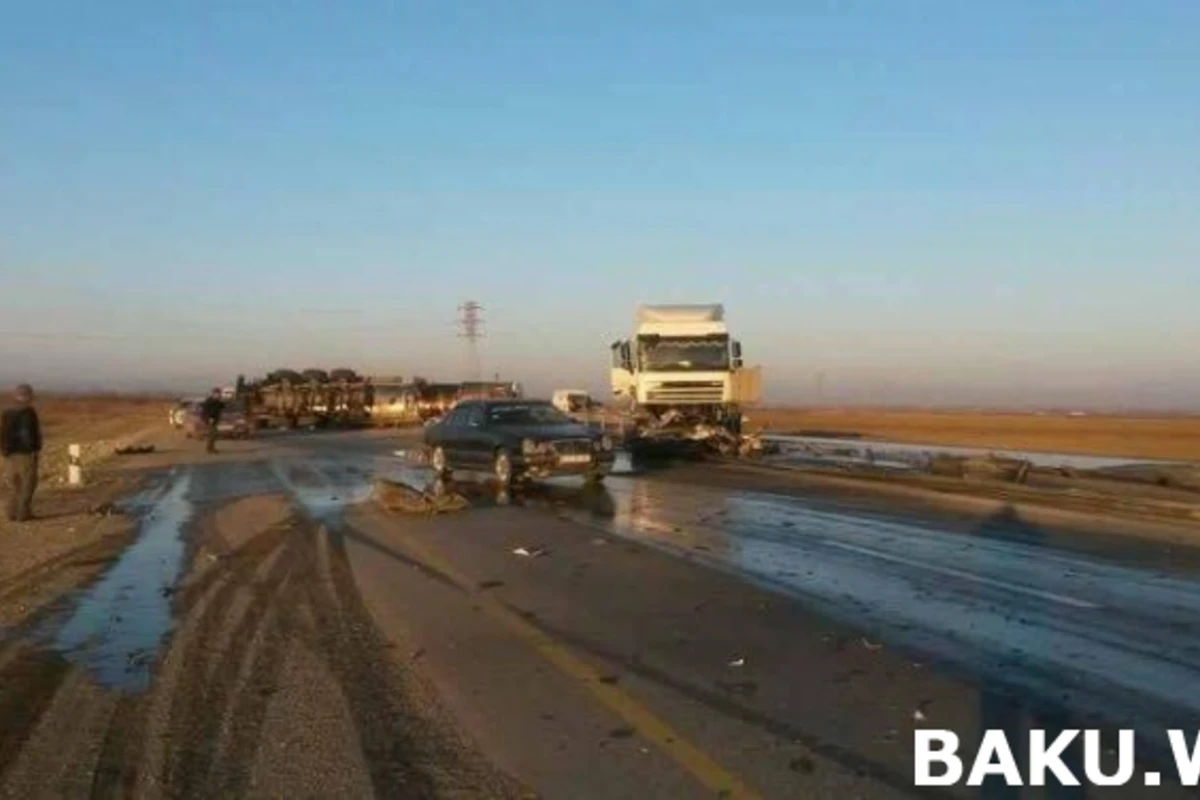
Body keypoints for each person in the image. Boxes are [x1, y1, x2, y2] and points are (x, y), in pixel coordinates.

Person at [1, 384, 42, 522]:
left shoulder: (7, 412)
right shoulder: (28, 412)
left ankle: (10, 512)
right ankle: (23, 513)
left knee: (14, 484)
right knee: (28, 483)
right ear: (28, 396)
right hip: (25, 454)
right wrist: (32, 449)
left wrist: (4, 450)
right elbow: (27, 433)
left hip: (9, 455)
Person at [201, 388, 225, 454]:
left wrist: (222, 401)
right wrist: (209, 418)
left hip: (214, 419)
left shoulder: (217, 401)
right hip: (209, 419)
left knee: (213, 434)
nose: (219, 395)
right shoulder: (209, 401)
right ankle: (210, 448)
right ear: (214, 394)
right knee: (213, 434)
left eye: (219, 394)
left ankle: (210, 448)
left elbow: (222, 406)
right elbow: (205, 411)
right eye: (217, 394)